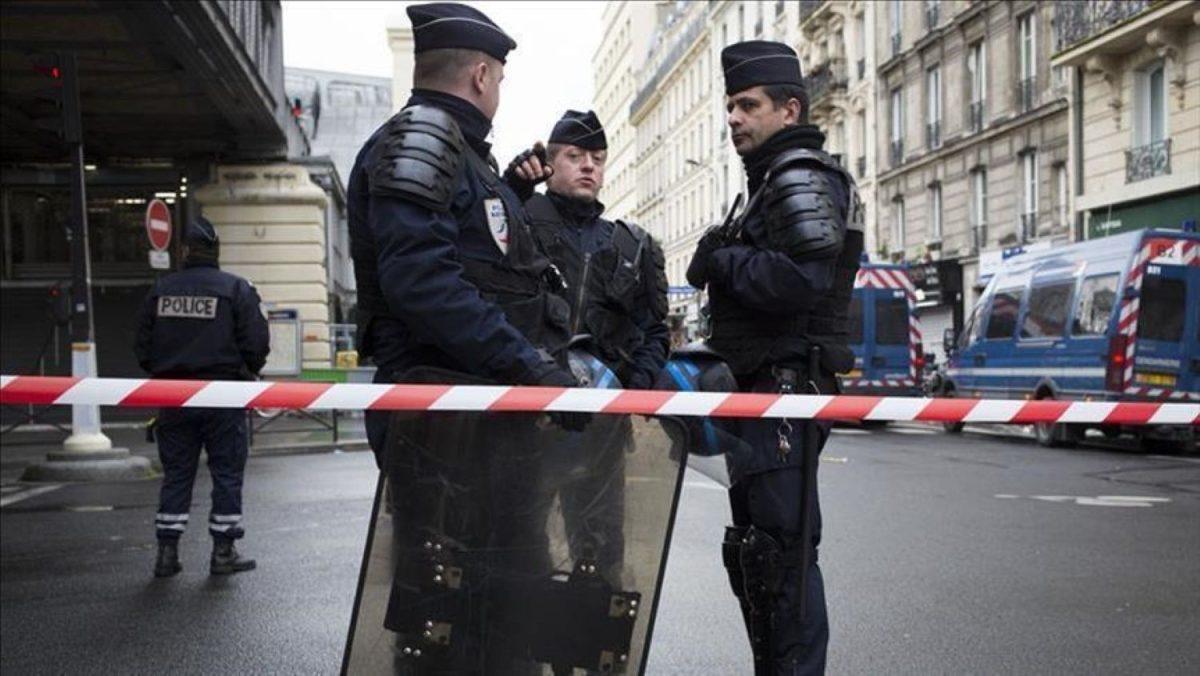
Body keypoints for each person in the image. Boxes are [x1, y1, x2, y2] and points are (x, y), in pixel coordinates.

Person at [344, 3, 589, 672]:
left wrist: (504, 188)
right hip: (446, 423)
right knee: (446, 607)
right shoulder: (425, 140)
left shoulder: (457, 155)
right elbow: (423, 284)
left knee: (502, 601)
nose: (499, 92)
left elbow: (484, 266)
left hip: (480, 423)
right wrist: (532, 368)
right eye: (501, 80)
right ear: (482, 74)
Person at [686, 41, 864, 675]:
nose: (733, 117)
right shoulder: (769, 181)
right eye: (730, 105)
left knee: (781, 560)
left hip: (784, 394)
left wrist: (723, 259)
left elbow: (801, 281)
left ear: (789, 109)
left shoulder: (799, 175)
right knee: (760, 558)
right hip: (760, 394)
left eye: (748, 105)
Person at [504, 110, 670, 583]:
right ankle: (516, 653)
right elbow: (478, 273)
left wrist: (637, 382)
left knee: (599, 555)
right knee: (516, 547)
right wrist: (511, 188)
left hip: (601, 430)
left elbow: (654, 330)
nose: (588, 167)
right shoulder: (520, 222)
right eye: (574, 157)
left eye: (597, 158)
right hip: (525, 421)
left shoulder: (629, 244)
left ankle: (598, 651)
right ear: (550, 163)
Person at [134, 217, 269, 578]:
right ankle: (223, 552)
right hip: (224, 396)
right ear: (216, 251)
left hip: (174, 397)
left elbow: (142, 349)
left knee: (177, 474)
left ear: (184, 252)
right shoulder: (236, 289)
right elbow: (257, 344)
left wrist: (167, 371)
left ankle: (166, 553)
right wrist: (246, 369)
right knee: (226, 472)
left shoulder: (161, 290)